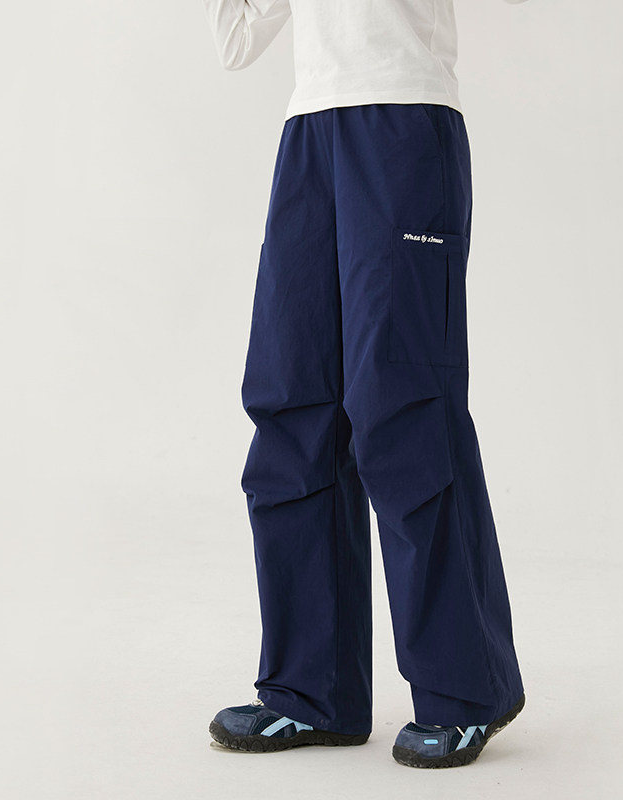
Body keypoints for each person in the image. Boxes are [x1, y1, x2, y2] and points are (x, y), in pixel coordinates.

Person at [201, 0, 526, 769]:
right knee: (292, 402)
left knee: (403, 405)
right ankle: (312, 692)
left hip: (403, 116)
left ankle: (464, 692)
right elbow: (236, 40)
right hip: (310, 127)